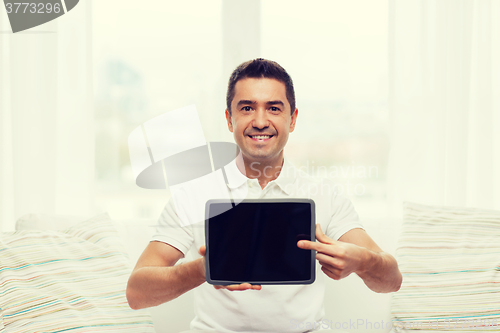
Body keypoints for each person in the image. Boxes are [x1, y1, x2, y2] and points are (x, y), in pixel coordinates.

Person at [126, 58, 402, 332]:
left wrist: (362, 262)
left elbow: (391, 280)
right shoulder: (194, 195)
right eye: (247, 108)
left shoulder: (325, 195)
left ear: (292, 119)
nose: (260, 121)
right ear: (229, 118)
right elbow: (137, 294)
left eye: (273, 108)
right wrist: (202, 270)